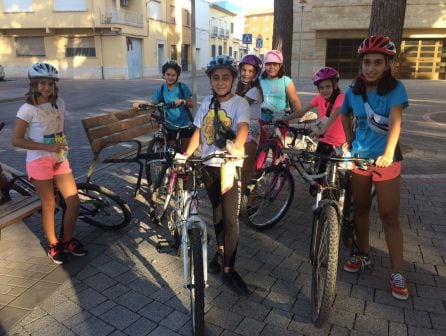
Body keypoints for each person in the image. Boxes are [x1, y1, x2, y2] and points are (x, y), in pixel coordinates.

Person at [340, 36, 409, 300]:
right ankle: (363, 253)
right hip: (360, 158)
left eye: (377, 63)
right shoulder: (353, 91)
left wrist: (389, 152)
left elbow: (396, 121)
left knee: (389, 214)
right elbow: (344, 113)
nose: (371, 68)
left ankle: (397, 271)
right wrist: (348, 139)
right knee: (361, 208)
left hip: (386, 161)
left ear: (387, 64)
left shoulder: (396, 89)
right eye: (367, 62)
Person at [181, 55, 250, 296]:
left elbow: (242, 127)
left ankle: (230, 268)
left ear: (232, 79)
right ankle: (220, 252)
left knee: (231, 220)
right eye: (216, 78)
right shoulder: (206, 103)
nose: (221, 82)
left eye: (225, 77)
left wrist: (238, 147)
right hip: (209, 166)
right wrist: (186, 155)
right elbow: (199, 132)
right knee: (217, 212)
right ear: (210, 80)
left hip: (229, 166)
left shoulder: (240, 103)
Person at [12, 62, 87, 264]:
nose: (47, 87)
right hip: (38, 160)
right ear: (34, 85)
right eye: (42, 83)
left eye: (50, 84)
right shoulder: (27, 109)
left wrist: (60, 151)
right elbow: (16, 140)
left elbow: (60, 130)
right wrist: (48, 149)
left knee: (73, 200)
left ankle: (67, 239)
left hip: (58, 158)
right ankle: (54, 244)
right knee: (49, 203)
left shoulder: (59, 103)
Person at [282, 66, 346, 182]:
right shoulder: (319, 98)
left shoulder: (341, 98)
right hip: (324, 141)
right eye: (321, 88)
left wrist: (321, 130)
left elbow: (335, 114)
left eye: (328, 87)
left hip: (338, 144)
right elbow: (302, 111)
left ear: (335, 85)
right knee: (319, 175)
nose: (324, 90)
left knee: (333, 177)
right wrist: (285, 119)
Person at [133, 60, 194, 152]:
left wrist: (183, 101)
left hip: (185, 124)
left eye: (173, 75)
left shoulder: (182, 87)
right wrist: (140, 104)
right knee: (171, 151)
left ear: (177, 76)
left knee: (185, 150)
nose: (170, 77)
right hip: (170, 124)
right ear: (164, 75)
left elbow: (191, 104)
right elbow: (154, 103)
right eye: (168, 74)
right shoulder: (161, 89)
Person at [235, 54, 264, 194]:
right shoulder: (243, 88)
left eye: (250, 71)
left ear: (256, 74)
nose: (246, 73)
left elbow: (238, 105)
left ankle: (251, 199)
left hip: (251, 130)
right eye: (244, 70)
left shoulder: (254, 91)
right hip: (241, 127)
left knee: (248, 166)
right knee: (241, 165)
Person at [259, 49, 302, 143]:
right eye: (268, 64)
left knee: (277, 148)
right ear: (264, 65)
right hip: (263, 118)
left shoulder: (286, 81)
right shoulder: (260, 80)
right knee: (262, 148)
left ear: (280, 65)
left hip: (281, 120)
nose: (271, 67)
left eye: (275, 64)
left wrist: (301, 113)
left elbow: (294, 100)